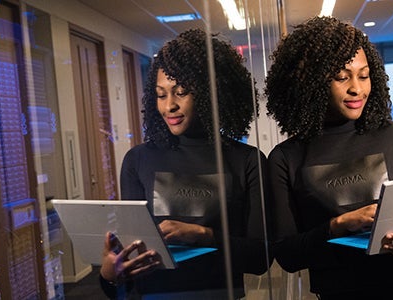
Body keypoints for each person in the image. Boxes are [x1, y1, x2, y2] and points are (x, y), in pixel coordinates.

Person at [265, 16, 393, 299]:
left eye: (364, 75)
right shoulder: (285, 158)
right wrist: (339, 225)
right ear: (311, 83)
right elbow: (288, 256)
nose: (357, 88)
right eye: (342, 77)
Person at [98, 28, 269, 299]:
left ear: (210, 93)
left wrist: (203, 235)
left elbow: (260, 258)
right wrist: (109, 274)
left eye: (181, 92)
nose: (169, 106)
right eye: (161, 94)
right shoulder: (138, 160)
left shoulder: (246, 160)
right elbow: (129, 262)